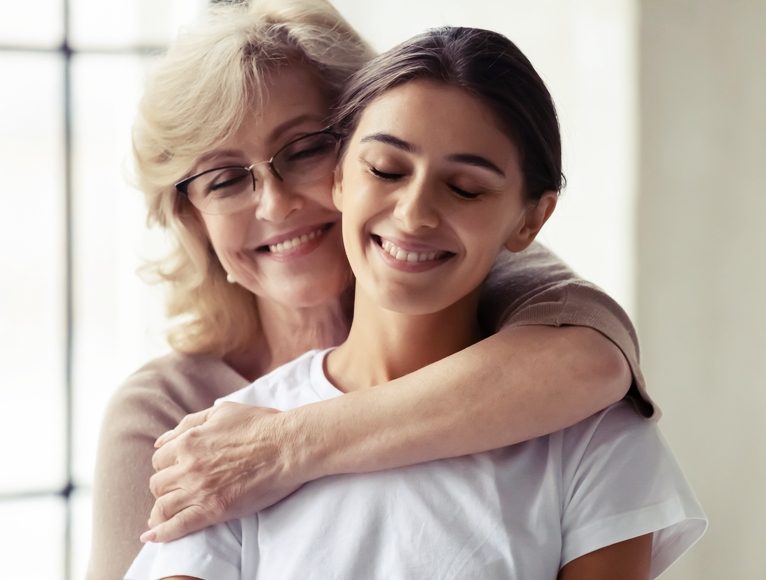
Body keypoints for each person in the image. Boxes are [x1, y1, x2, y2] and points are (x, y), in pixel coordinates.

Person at [88, 2, 657, 579]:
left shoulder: (509, 292)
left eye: (304, 149)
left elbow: (592, 365)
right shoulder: (167, 413)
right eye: (225, 178)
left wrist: (283, 444)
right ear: (193, 219)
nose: (275, 203)